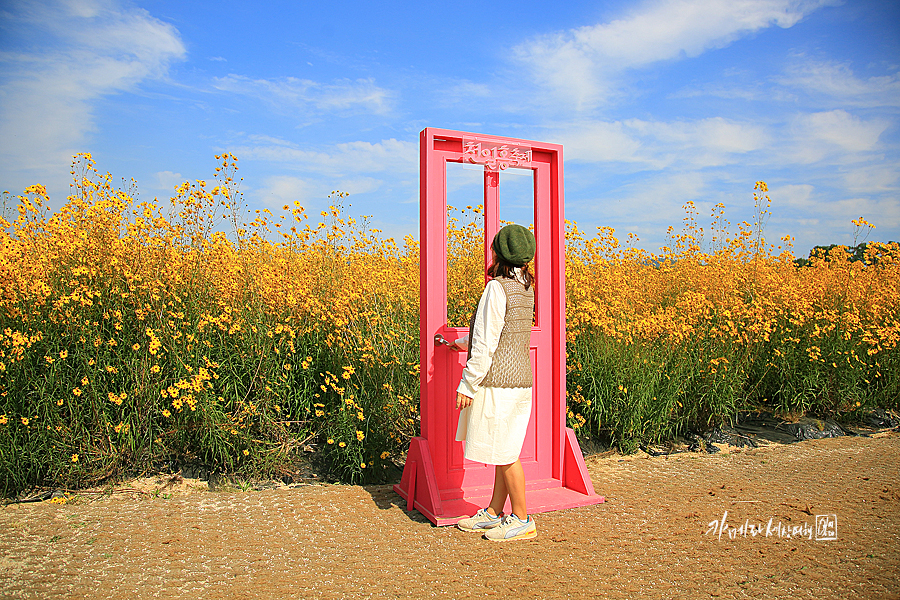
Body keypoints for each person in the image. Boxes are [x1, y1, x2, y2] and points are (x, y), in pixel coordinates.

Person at [451, 223, 537, 541]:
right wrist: (463, 342)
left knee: (507, 453)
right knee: (505, 449)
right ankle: (493, 512)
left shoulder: (496, 288)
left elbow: (486, 342)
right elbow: (502, 334)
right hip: (520, 381)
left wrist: (467, 384)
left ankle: (523, 519)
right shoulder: (525, 287)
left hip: (499, 383)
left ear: (497, 253)